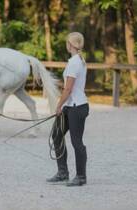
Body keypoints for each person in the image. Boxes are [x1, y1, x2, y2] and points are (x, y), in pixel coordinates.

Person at [47, 32, 89, 186]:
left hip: (77, 108)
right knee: (57, 135)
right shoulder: (77, 60)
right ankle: (63, 172)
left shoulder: (75, 63)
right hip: (70, 106)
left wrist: (58, 106)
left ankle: (81, 177)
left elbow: (68, 89)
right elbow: (69, 88)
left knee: (77, 142)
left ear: (70, 45)